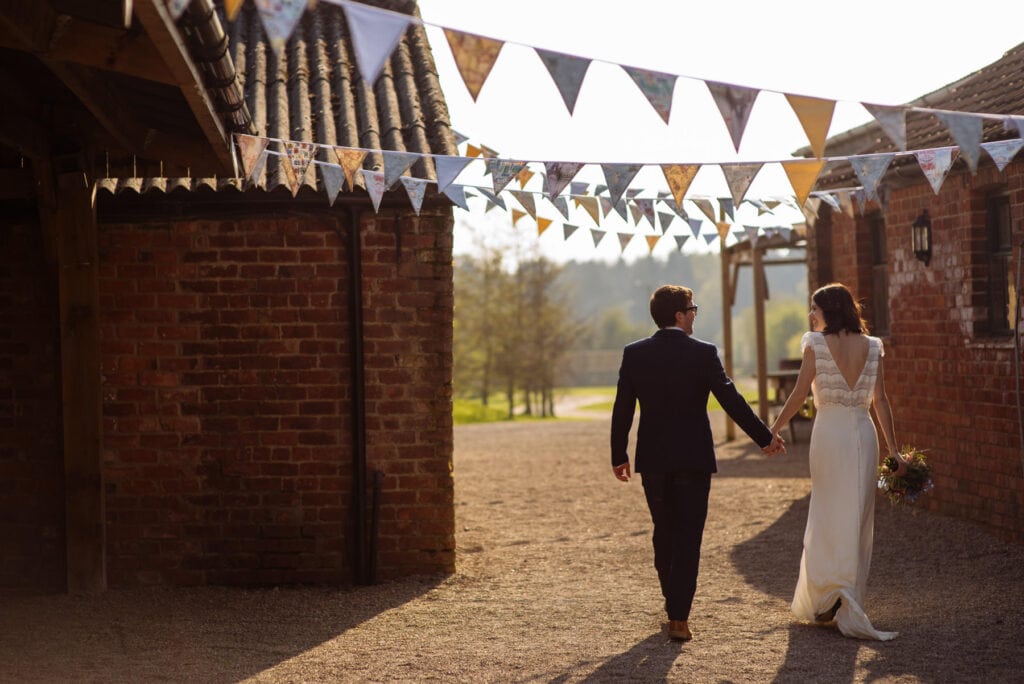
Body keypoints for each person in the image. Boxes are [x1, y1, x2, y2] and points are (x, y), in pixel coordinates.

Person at [611, 284, 785, 642]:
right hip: (693, 458)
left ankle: (671, 600)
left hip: (654, 459)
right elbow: (730, 400)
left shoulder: (635, 353)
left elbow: (623, 407)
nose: (694, 315)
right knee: (688, 535)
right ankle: (679, 616)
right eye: (692, 309)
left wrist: (619, 454)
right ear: (678, 315)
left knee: (664, 529)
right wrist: (764, 438)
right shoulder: (704, 353)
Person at [770, 282, 906, 641]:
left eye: (814, 308)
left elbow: (800, 392)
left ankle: (834, 593)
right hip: (863, 433)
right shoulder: (873, 346)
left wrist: (773, 430)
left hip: (829, 432)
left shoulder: (815, 343)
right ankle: (843, 594)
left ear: (826, 310)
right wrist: (894, 450)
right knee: (857, 515)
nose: (810, 315)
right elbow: (882, 402)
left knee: (828, 512)